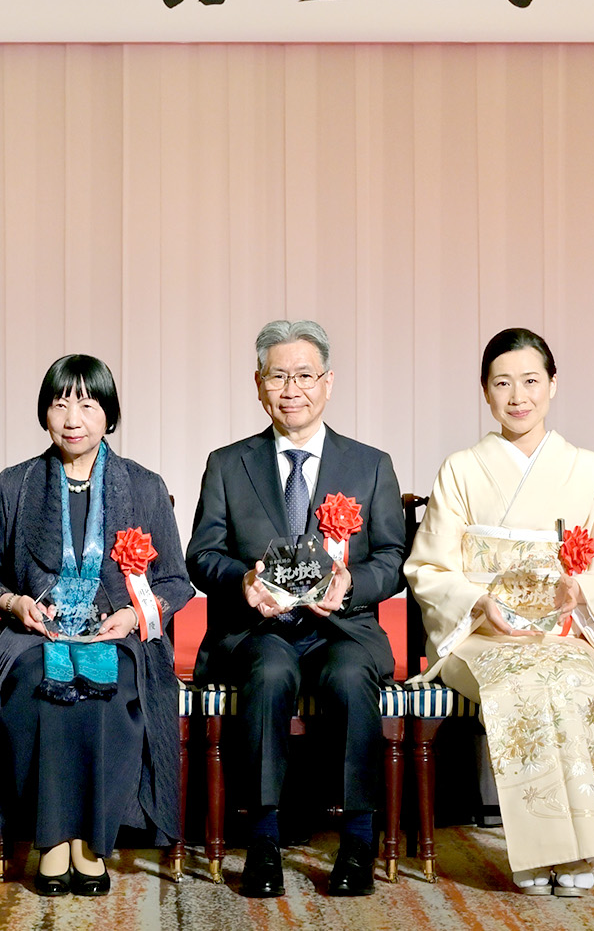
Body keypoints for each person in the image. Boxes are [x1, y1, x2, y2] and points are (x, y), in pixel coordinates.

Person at [405, 328, 594, 898]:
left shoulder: (589, 471)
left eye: (531, 381)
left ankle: (578, 847)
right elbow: (429, 567)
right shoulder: (461, 470)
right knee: (525, 682)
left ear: (553, 385)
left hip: (564, 636)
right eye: (503, 384)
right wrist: (479, 602)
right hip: (483, 637)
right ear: (485, 391)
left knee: (576, 684)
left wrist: (581, 591)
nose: (518, 397)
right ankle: (545, 853)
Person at [186, 320, 406, 898]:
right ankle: (263, 841)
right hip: (259, 631)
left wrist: (351, 585)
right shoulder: (228, 464)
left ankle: (357, 841)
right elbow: (201, 556)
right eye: (278, 376)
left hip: (342, 629)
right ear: (258, 384)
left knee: (351, 676)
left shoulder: (370, 465)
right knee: (270, 671)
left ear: (328, 382)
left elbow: (393, 556)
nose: (292, 389)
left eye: (305, 375)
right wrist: (243, 582)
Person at [0, 355, 192, 896]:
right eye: (60, 404)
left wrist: (134, 615)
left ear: (109, 415)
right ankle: (52, 842)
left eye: (88, 404)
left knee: (104, 692)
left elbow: (175, 581)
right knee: (40, 690)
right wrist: (14, 603)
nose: (73, 418)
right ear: (44, 413)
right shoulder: (15, 485)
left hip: (116, 634)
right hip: (36, 634)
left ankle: (92, 844)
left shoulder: (144, 486)